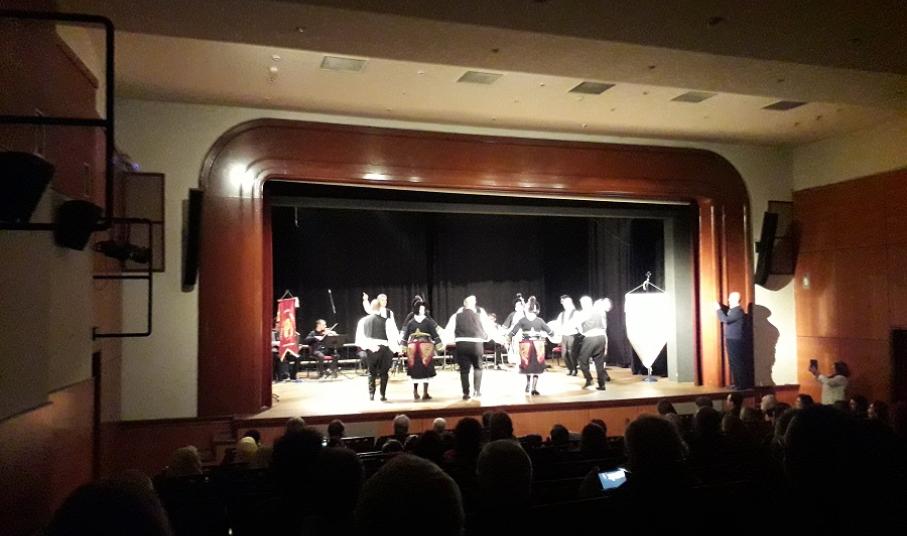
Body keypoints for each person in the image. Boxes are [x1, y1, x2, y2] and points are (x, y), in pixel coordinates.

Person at [445, 295, 495, 400]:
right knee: (478, 367)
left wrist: (446, 342)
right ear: (474, 304)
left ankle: (466, 393)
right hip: (476, 344)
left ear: (464, 304)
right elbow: (489, 328)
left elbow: (449, 330)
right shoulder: (480, 315)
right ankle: (477, 391)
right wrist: (488, 338)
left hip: (462, 344)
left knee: (464, 370)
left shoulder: (456, 316)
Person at [507, 296, 555, 395]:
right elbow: (551, 333)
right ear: (536, 310)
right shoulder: (540, 320)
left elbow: (512, 332)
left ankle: (529, 384)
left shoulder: (523, 320)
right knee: (537, 367)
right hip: (537, 345)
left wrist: (507, 338)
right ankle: (533, 388)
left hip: (526, 345)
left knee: (527, 366)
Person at [355, 299, 401, 401]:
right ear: (380, 308)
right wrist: (396, 349)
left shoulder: (363, 321)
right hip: (384, 349)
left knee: (371, 372)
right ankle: (382, 395)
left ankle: (371, 394)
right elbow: (393, 337)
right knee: (384, 373)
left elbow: (359, 339)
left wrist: (369, 346)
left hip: (371, 350)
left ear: (371, 308)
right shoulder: (387, 321)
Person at [401, 297, 443, 401]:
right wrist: (403, 346)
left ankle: (425, 393)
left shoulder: (427, 321)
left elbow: (434, 334)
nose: (423, 310)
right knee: (416, 370)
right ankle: (416, 392)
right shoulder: (412, 322)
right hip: (416, 349)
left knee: (425, 370)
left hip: (424, 349)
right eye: (421, 309)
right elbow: (405, 336)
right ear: (417, 309)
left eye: (424, 309)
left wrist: (439, 344)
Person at [714, 291, 753, 389]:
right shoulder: (733, 310)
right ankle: (737, 383)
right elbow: (727, 315)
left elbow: (725, 319)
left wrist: (718, 309)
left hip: (735, 340)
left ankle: (742, 385)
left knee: (737, 363)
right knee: (733, 362)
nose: (728, 299)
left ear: (735, 299)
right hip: (731, 339)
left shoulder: (738, 311)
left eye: (730, 298)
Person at [575, 296, 610, 390]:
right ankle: (601, 385)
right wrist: (606, 342)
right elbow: (604, 327)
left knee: (582, 360)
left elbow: (577, 324)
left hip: (590, 338)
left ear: (584, 303)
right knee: (599, 362)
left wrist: (582, 332)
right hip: (601, 337)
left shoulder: (583, 313)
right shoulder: (599, 312)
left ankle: (589, 379)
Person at [555, 294, 580, 376]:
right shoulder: (562, 314)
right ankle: (570, 368)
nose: (564, 304)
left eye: (566, 302)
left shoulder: (576, 313)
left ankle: (574, 369)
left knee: (571, 353)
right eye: (563, 303)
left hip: (572, 335)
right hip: (564, 335)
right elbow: (558, 324)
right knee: (564, 354)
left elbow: (578, 324)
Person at [500, 294, 525, 367]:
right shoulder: (513, 314)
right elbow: (505, 325)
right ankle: (518, 363)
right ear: (515, 307)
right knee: (516, 348)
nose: (519, 307)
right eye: (517, 306)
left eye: (520, 305)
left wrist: (522, 300)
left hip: (524, 333)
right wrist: (502, 333)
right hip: (515, 334)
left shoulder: (526, 314)